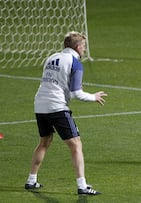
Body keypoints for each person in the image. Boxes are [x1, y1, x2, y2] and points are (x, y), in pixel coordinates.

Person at [25, 31, 107, 195]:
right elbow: (76, 93)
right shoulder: (75, 63)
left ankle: (31, 180)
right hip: (57, 107)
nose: (84, 49)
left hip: (40, 104)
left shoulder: (51, 57)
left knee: (44, 142)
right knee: (76, 145)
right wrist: (93, 97)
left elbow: (56, 85)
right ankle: (82, 186)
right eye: (83, 46)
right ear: (77, 47)